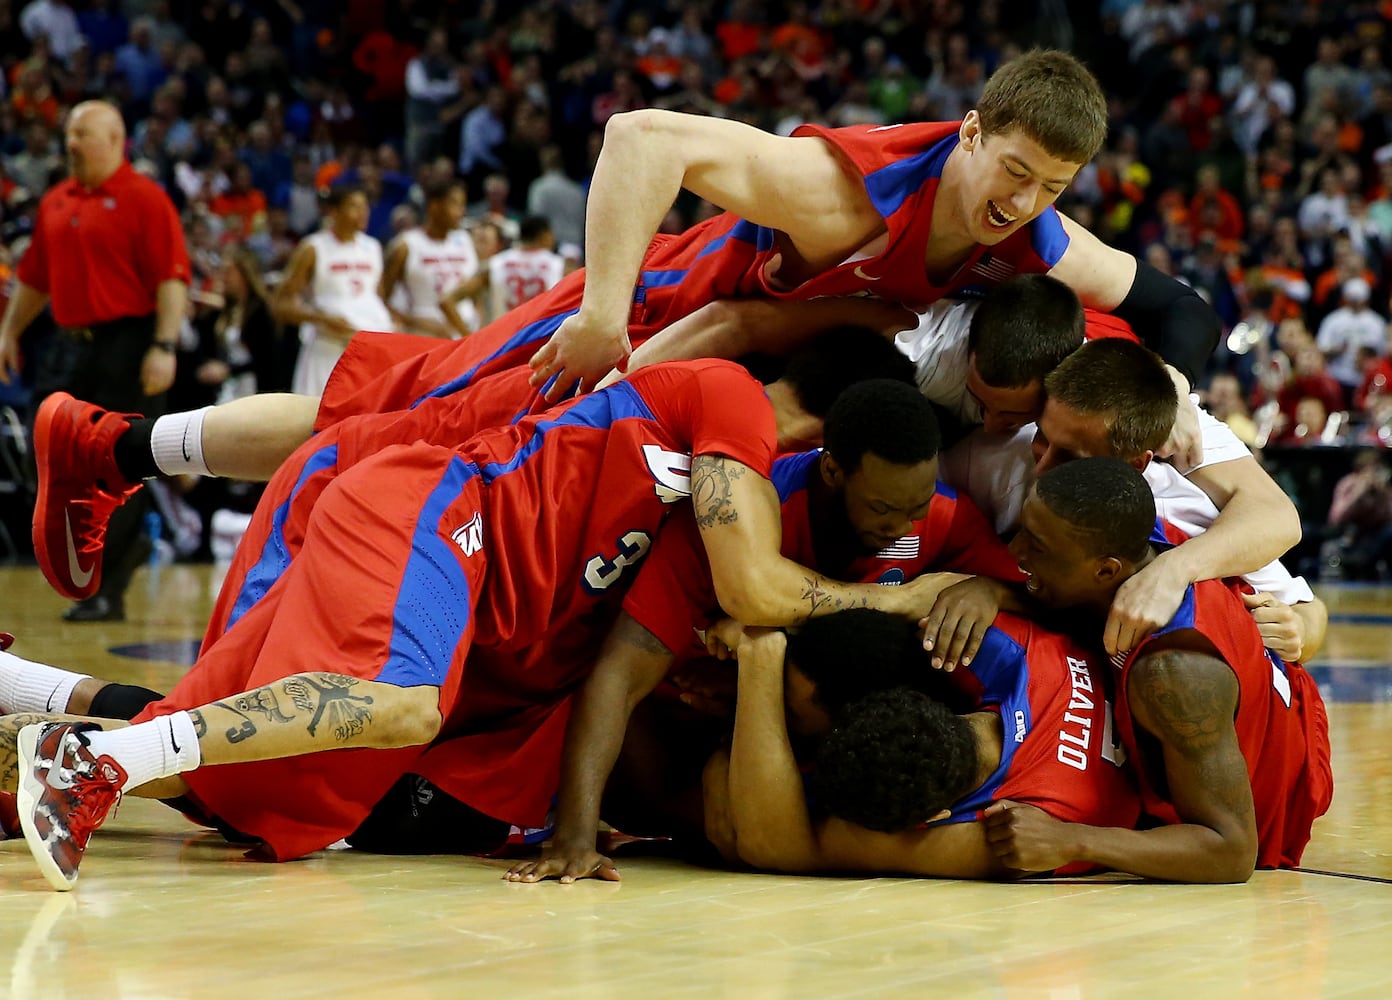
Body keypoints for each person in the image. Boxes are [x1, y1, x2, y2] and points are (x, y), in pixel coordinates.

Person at [13, 361, 951, 890]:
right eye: (885, 507)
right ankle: (96, 766)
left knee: (264, 796)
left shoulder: (689, 498)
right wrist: (894, 598)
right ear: (824, 447)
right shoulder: (736, 407)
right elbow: (752, 584)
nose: (898, 529)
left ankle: (29, 728)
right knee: (405, 705)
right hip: (436, 511)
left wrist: (575, 831)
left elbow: (628, 662)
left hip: (444, 560)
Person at [308, 51, 1213, 466]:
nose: (1022, 200)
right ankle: (163, 443)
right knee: (406, 411)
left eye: (1051, 186)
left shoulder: (1037, 240)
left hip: (745, 363)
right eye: (1015, 171)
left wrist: (1172, 389)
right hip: (661, 301)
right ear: (970, 133)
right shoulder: (841, 189)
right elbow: (640, 138)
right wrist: (600, 319)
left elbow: (1182, 309)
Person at [506, 379, 1022, 881]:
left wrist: (990, 590)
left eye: (917, 506)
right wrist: (575, 836)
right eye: (883, 509)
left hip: (834, 725)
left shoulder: (943, 515)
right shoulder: (732, 522)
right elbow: (619, 673)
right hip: (700, 723)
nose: (903, 528)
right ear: (833, 469)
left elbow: (1035, 593)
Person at [989, 458, 1332, 881]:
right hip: (1240, 707)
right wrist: (989, 591)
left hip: (1269, 803)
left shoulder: (1174, 675)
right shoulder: (1149, 537)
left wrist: (1070, 839)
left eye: (1037, 545)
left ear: (1106, 570)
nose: (1015, 550)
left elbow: (1232, 852)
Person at [938, 338, 1325, 664]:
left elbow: (1307, 608)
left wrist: (1299, 632)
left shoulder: (1180, 509)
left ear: (1137, 463)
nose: (1043, 467)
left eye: (1072, 456)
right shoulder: (993, 456)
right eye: (1043, 436)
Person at [698, 608, 1140, 879]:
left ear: (935, 817)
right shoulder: (1003, 645)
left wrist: (758, 656)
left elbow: (768, 845)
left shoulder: (1017, 834)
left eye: (791, 717)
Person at [0, 100, 190, 622]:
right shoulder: (57, 199)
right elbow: (35, 278)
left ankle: (109, 587)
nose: (71, 143)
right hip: (67, 344)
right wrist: (8, 331)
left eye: (82, 134)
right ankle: (75, 574)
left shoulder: (145, 198)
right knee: (55, 456)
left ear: (114, 138)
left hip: (129, 345)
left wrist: (165, 346)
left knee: (122, 468)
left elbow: (172, 277)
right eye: (68, 134)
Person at [270, 183, 392, 398]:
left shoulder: (373, 247)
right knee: (320, 424)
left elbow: (378, 299)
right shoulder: (313, 247)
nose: (363, 212)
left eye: (365, 206)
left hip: (370, 350)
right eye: (354, 206)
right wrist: (321, 318)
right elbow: (280, 306)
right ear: (334, 211)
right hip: (328, 350)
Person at [380, 179, 480, 339]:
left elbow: (476, 290)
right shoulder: (406, 245)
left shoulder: (465, 240)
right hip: (425, 335)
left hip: (465, 333)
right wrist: (413, 322)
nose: (461, 211)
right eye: (455, 204)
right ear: (435, 206)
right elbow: (381, 299)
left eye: (463, 205)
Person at [441, 215, 568, 336]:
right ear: (545, 235)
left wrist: (468, 338)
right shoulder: (561, 267)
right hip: (541, 346)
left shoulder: (495, 265)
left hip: (502, 347)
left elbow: (447, 301)